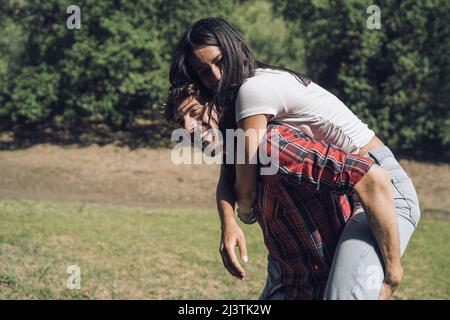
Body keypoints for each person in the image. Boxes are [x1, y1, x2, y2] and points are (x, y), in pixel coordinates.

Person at [168, 17, 420, 299]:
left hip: (383, 188)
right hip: (357, 184)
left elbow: (247, 178)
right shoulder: (250, 95)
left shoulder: (252, 92)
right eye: (204, 72)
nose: (216, 77)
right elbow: (231, 167)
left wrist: (246, 211)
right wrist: (228, 221)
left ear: (238, 47)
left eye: (220, 61)